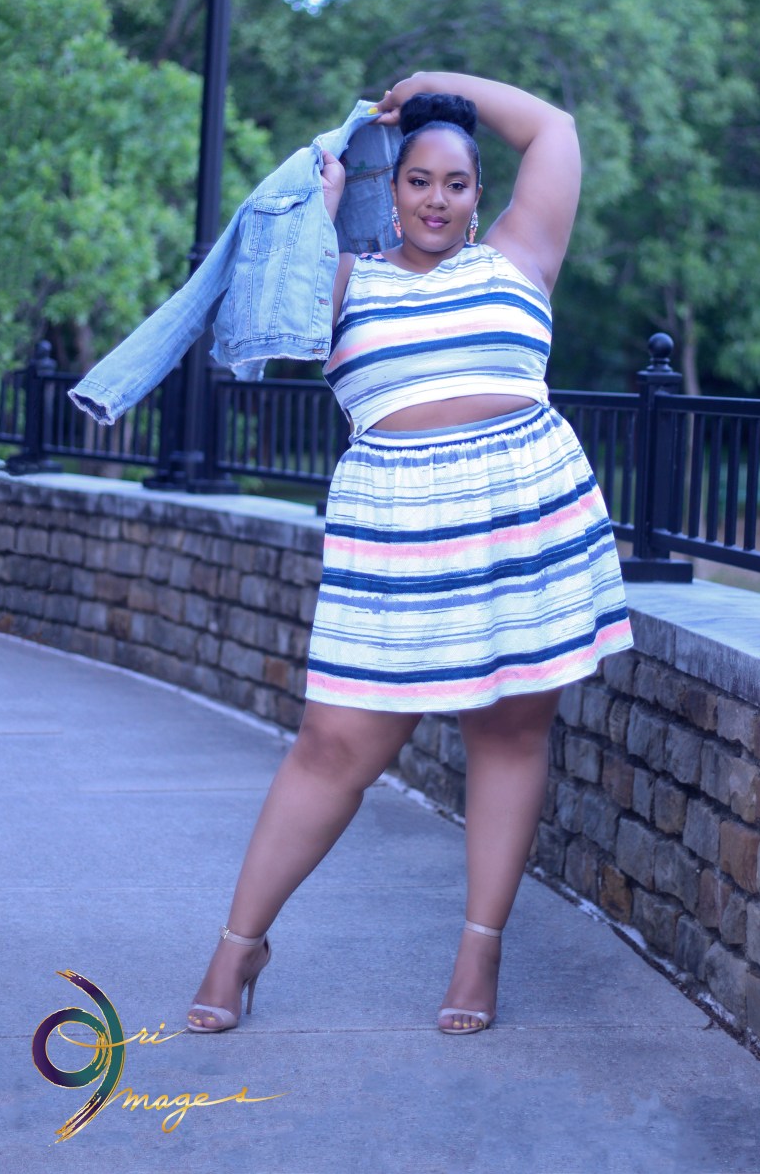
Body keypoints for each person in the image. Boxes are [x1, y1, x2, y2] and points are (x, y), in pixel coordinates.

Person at [187, 71, 632, 1037]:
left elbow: (553, 127)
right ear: (390, 188)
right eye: (419, 181)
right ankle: (237, 944)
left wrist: (434, 87)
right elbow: (253, 320)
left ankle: (479, 950)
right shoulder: (346, 279)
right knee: (333, 743)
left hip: (521, 518)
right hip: (393, 530)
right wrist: (318, 207)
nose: (436, 200)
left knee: (507, 734)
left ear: (478, 194)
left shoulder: (520, 255)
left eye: (456, 184)